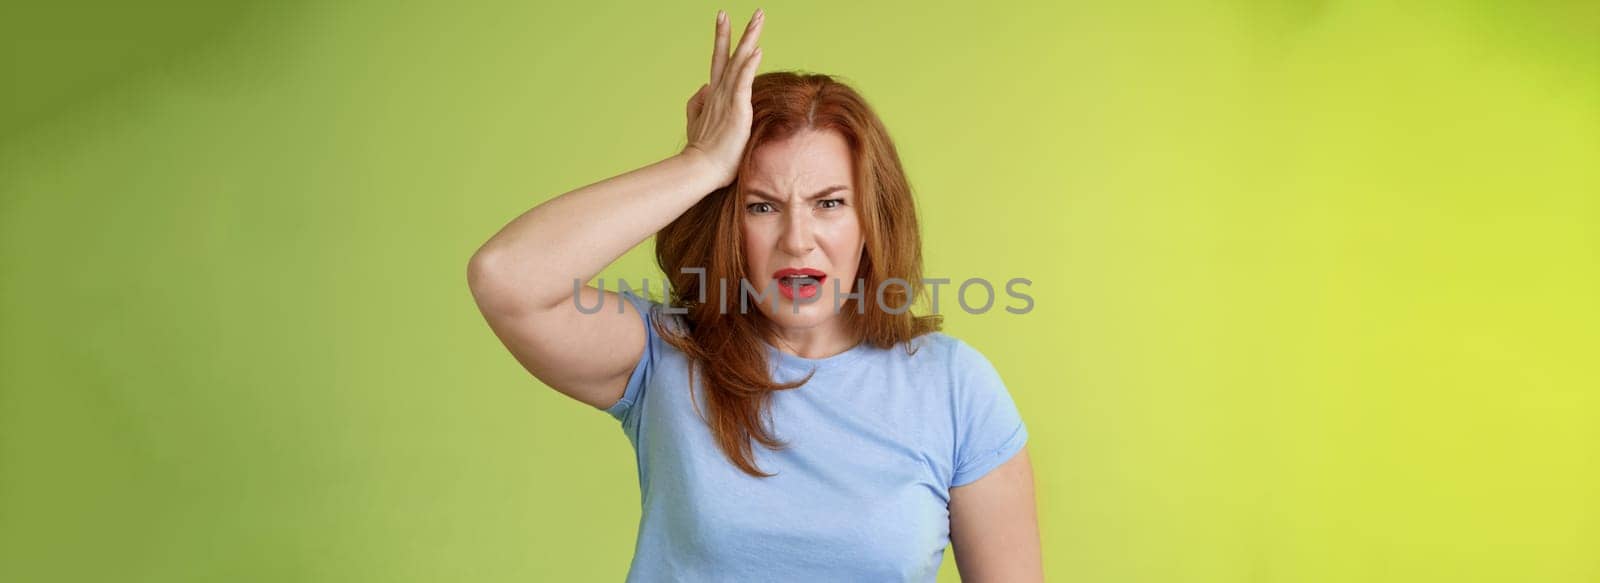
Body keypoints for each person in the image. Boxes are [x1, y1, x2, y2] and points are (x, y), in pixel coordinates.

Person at [467, 8, 1041, 581]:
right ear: (728, 222)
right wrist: (701, 164)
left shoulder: (955, 388)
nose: (797, 241)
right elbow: (506, 277)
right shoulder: (665, 355)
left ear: (872, 220)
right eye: (761, 205)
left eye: (829, 203)